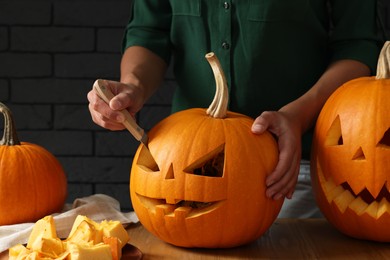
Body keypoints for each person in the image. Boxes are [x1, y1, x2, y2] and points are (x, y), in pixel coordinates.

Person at [88, 1, 382, 218]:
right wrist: (133, 86)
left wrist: (297, 116)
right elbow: (150, 31)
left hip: (291, 171)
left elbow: (358, 45)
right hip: (181, 171)